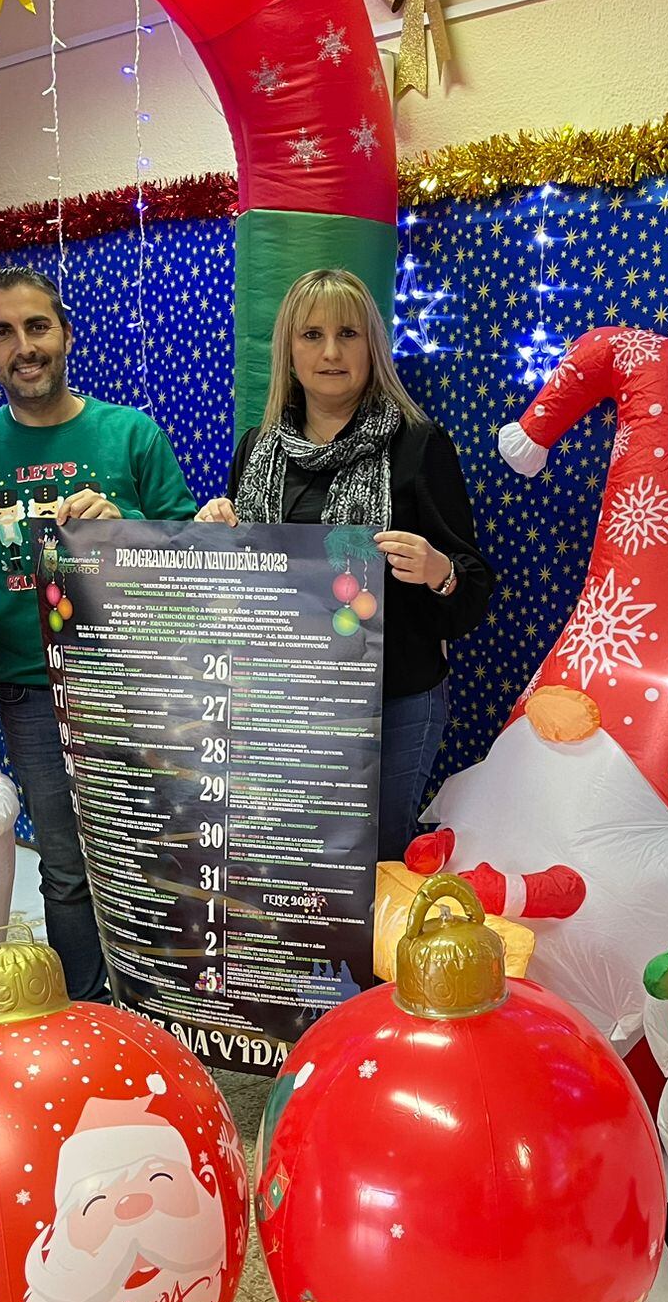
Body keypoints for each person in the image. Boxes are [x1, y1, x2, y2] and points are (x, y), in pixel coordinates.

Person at [0, 267, 197, 1003]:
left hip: (142, 684)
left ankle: (171, 1001)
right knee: (67, 864)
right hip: (34, 689)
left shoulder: (130, 434)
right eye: (2, 332)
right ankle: (88, 1006)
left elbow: (191, 560)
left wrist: (124, 531)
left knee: (159, 848)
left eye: (36, 327)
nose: (24, 347)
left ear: (66, 334)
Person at [197, 268, 493, 860]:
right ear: (289, 350)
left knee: (375, 869)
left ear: (372, 347)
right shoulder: (257, 450)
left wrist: (440, 570)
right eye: (311, 335)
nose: (330, 351)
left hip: (393, 707)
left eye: (348, 334)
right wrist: (217, 538)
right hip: (281, 708)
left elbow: (474, 591)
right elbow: (239, 594)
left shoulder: (417, 444)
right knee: (288, 867)